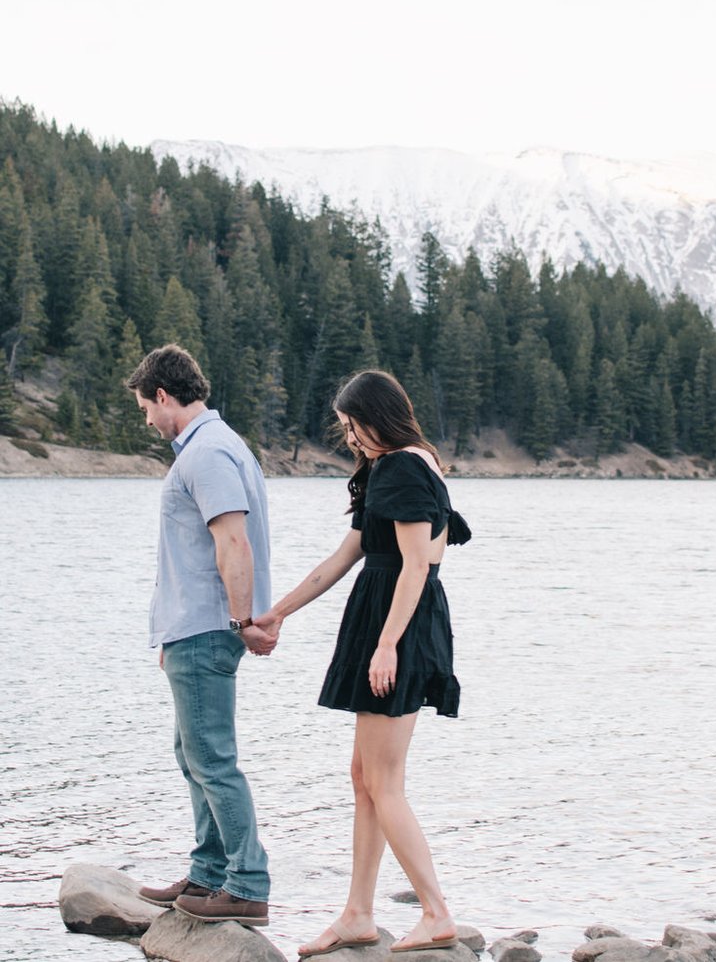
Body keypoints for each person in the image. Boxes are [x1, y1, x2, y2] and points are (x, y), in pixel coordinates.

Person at [255, 369, 471, 960]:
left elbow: (415, 564)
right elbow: (347, 555)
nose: (349, 437)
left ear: (377, 416)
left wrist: (386, 644)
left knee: (382, 780)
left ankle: (435, 912)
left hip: (396, 623)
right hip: (392, 617)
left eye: (352, 425)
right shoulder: (400, 463)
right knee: (365, 777)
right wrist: (280, 612)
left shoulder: (402, 465)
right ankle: (358, 914)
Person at [128, 343, 276, 929]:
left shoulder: (207, 452)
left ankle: (246, 883)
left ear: (164, 396)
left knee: (212, 760)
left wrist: (240, 623)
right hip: (191, 629)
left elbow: (231, 542)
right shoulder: (214, 445)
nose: (146, 419)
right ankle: (209, 872)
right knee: (193, 755)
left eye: (145, 407)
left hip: (206, 628)